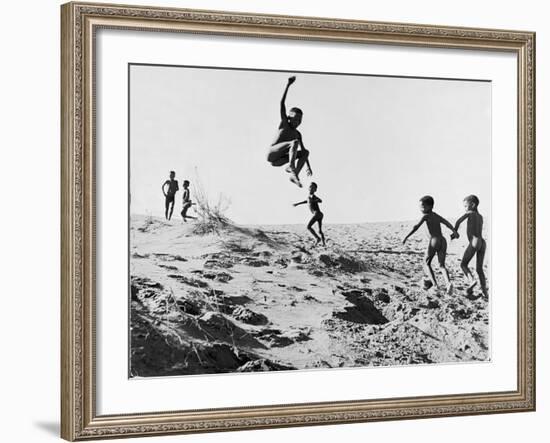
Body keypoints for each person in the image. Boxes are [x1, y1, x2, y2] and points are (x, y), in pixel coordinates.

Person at [402, 195, 459, 295]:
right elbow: (447, 223)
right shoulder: (436, 215)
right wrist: (454, 231)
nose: (421, 209)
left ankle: (436, 285)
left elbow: (416, 227)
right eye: (420, 207)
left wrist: (406, 236)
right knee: (442, 265)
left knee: (426, 263)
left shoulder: (426, 216)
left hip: (434, 240)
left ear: (430, 206)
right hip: (443, 240)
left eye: (423, 207)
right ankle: (448, 283)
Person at [266, 76, 313, 188]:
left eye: (299, 120)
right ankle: (292, 168)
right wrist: (288, 85)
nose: (297, 122)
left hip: (280, 161)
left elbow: (303, 152)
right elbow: (282, 104)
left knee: (305, 152)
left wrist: (308, 166)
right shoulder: (285, 124)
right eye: (295, 119)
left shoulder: (298, 134)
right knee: (294, 143)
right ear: (288, 117)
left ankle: (294, 174)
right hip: (272, 154)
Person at [453, 195, 488, 297]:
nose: (464, 208)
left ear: (472, 205)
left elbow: (458, 221)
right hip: (482, 242)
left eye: (465, 206)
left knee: (463, 264)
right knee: (479, 268)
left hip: (474, 241)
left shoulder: (469, 213)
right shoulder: (480, 216)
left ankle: (472, 280)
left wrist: (454, 232)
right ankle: (485, 292)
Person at [293, 182, 326, 246]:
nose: (311, 188)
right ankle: (324, 244)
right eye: (310, 187)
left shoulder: (312, 196)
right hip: (320, 214)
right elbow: (306, 201)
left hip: (316, 214)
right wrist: (297, 204)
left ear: (315, 190)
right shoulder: (309, 197)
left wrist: (315, 200)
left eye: (313, 187)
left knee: (308, 227)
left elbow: (320, 200)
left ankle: (317, 238)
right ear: (308, 188)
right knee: (320, 231)